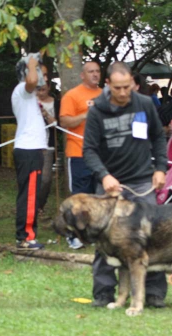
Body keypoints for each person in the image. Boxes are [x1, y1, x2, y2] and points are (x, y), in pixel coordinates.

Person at [83, 61, 168, 308]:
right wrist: (104, 175)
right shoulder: (97, 111)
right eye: (117, 88)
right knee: (104, 239)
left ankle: (153, 292)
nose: (122, 92)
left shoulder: (144, 104)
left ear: (132, 82)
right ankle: (103, 293)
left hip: (142, 182)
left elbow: (158, 137)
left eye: (127, 87)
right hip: (110, 184)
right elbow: (88, 150)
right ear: (107, 84)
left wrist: (161, 168)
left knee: (151, 236)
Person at [59, 61, 102, 249]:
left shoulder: (105, 95)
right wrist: (86, 114)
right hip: (78, 152)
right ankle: (74, 235)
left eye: (97, 71)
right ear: (82, 75)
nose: (95, 74)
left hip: (101, 154)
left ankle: (92, 234)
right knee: (79, 197)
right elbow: (65, 120)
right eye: (90, 72)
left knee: (97, 196)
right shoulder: (72, 95)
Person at [11, 55, 47, 250]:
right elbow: (32, 81)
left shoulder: (29, 95)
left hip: (31, 150)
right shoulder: (22, 90)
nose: (43, 77)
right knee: (30, 194)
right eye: (39, 71)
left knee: (29, 193)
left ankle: (26, 234)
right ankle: (26, 236)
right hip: (28, 150)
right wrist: (32, 63)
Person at [36, 65, 58, 217]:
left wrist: (45, 113)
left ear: (49, 87)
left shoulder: (55, 102)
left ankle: (40, 205)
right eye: (39, 89)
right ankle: (31, 206)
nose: (41, 92)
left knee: (45, 179)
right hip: (31, 144)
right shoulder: (29, 101)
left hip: (48, 144)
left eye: (44, 89)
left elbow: (57, 124)